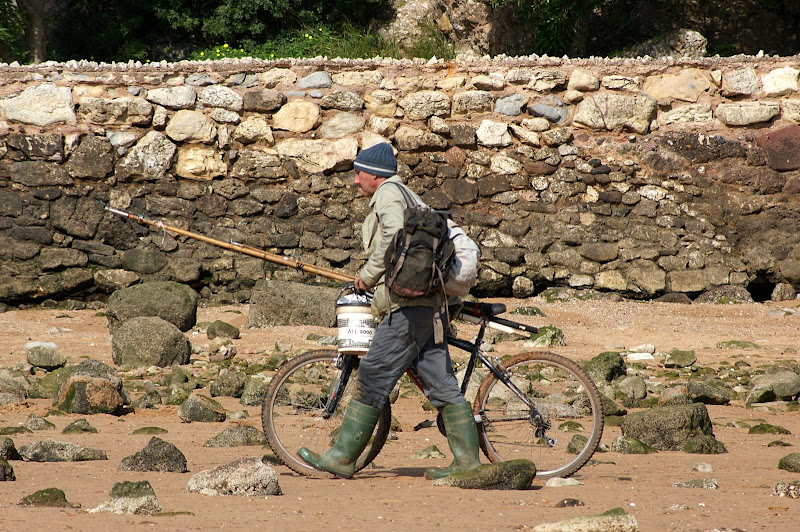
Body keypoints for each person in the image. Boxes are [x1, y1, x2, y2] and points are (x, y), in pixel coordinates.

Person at [298, 142, 481, 479]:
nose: (355, 181)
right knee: (441, 383)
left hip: (409, 308)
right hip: (429, 305)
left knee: (372, 374)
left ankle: (341, 457)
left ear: (373, 174)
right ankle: (468, 464)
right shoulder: (406, 194)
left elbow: (394, 235)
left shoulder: (388, 194)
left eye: (358, 173)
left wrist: (367, 277)